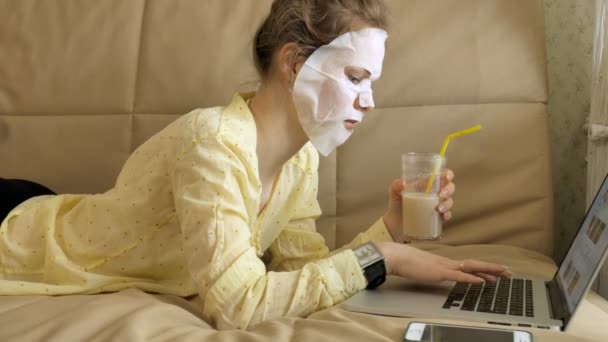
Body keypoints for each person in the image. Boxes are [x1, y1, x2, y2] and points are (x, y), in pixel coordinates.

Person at [0, 0, 511, 330]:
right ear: (294, 63)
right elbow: (238, 304)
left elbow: (302, 275)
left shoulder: (302, 159)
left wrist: (392, 230)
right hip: (20, 234)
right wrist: (383, 259)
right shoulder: (213, 142)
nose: (370, 101)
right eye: (356, 78)